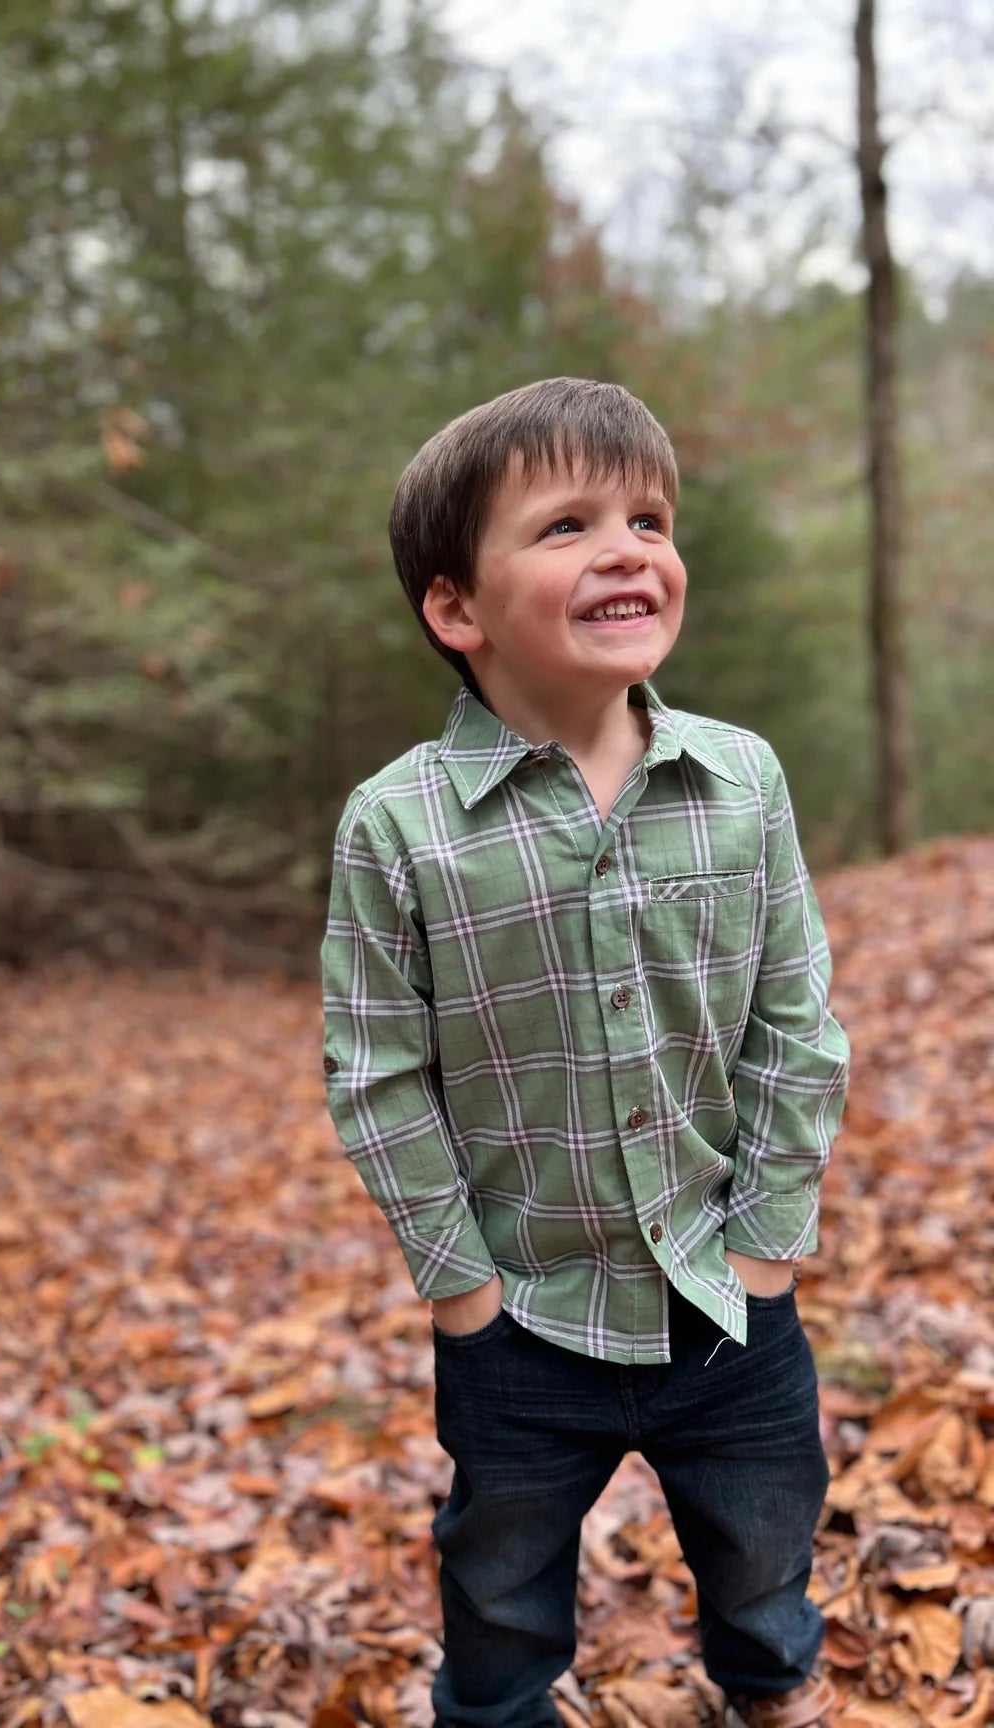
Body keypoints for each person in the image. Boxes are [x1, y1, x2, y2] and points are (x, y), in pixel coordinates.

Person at [319, 377, 851, 1728]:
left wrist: (767, 1246)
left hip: (724, 1297)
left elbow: (796, 1021)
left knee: (764, 1539)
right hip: (523, 1316)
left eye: (649, 519)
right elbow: (377, 1073)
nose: (627, 550)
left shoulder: (741, 782)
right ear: (458, 608)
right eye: (567, 526)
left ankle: (770, 1685)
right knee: (499, 1583)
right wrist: (461, 1291)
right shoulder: (400, 826)